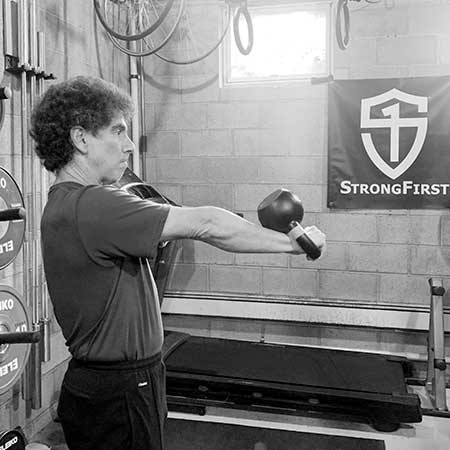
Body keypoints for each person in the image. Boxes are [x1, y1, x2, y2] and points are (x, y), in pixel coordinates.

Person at [30, 76, 326, 450]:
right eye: (117, 132)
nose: (127, 146)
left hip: (107, 383)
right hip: (119, 389)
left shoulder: (65, 205)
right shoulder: (91, 206)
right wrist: (291, 243)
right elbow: (207, 223)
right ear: (81, 138)